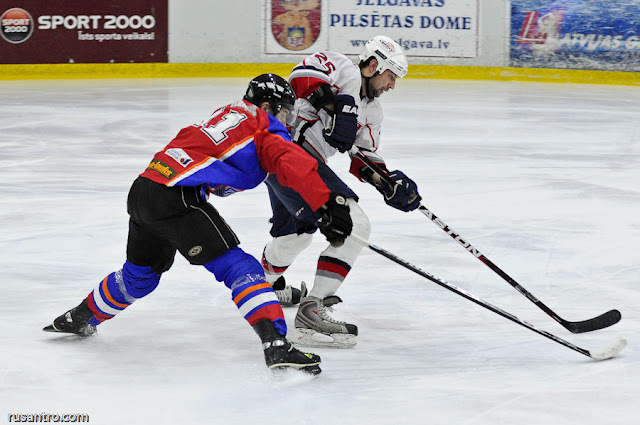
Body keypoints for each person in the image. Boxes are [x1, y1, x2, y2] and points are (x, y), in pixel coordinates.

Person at [42, 74, 354, 375]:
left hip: (144, 189)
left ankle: (80, 316)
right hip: (177, 197)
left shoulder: (226, 115)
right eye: (284, 111)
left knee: (140, 278)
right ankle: (276, 345)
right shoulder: (264, 124)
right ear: (269, 105)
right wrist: (326, 203)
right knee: (241, 269)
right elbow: (291, 161)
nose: (286, 120)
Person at [261, 36, 422, 348]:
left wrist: (388, 183)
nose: (391, 86)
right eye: (390, 77)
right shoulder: (344, 68)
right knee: (355, 226)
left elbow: (363, 159)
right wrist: (333, 105)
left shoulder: (372, 113)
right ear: (374, 65)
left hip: (287, 166)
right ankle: (312, 309)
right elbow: (299, 78)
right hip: (286, 154)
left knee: (294, 237)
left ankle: (263, 287)